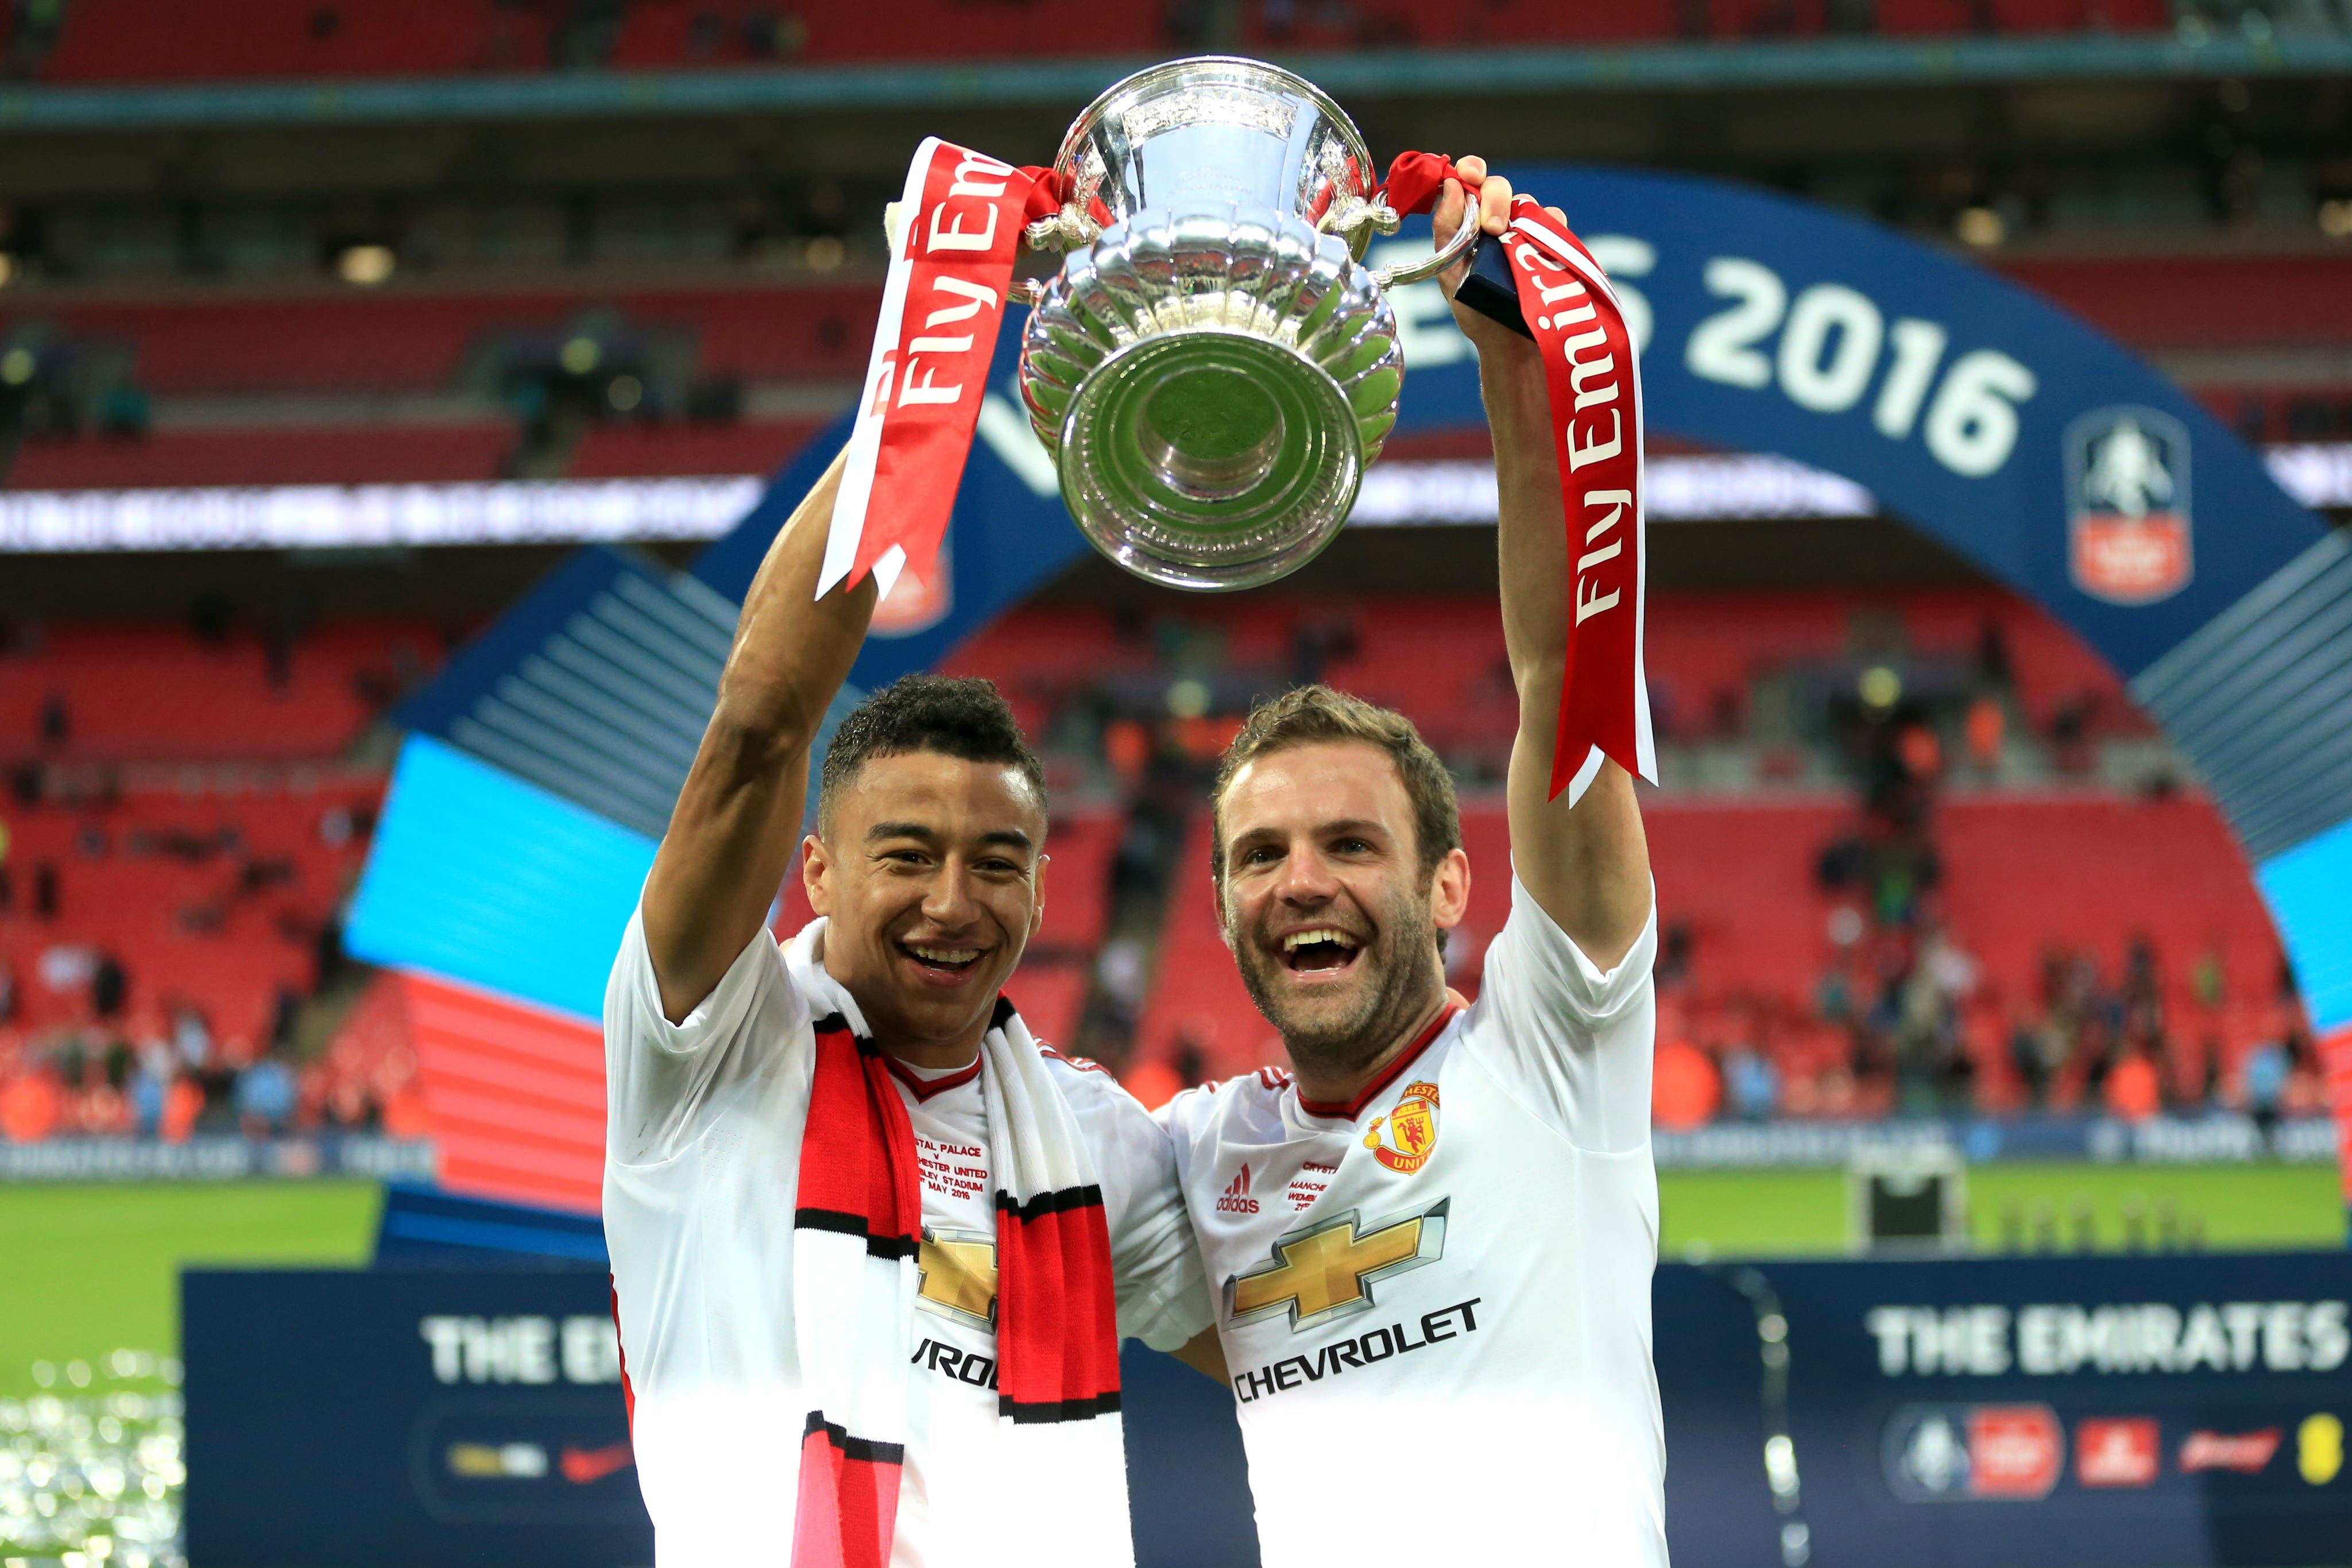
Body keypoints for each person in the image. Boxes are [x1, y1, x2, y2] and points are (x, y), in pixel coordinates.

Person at [1156, 158, 1668, 1565]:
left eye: (1349, 843)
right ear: (1217, 909)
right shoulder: (1197, 1163)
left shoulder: (1555, 1056)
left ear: (1451, 885)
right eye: (1260, 853)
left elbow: (1563, 668)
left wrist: (1511, 362)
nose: (1301, 879)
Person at [602, 451, 1212, 1568]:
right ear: (819, 873)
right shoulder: (707, 1046)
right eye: (906, 856)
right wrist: (935, 332)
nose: (951, 901)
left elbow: (1309, 1337)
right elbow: (756, 725)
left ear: (1036, 890)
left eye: (994, 861)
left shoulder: (1090, 1141)